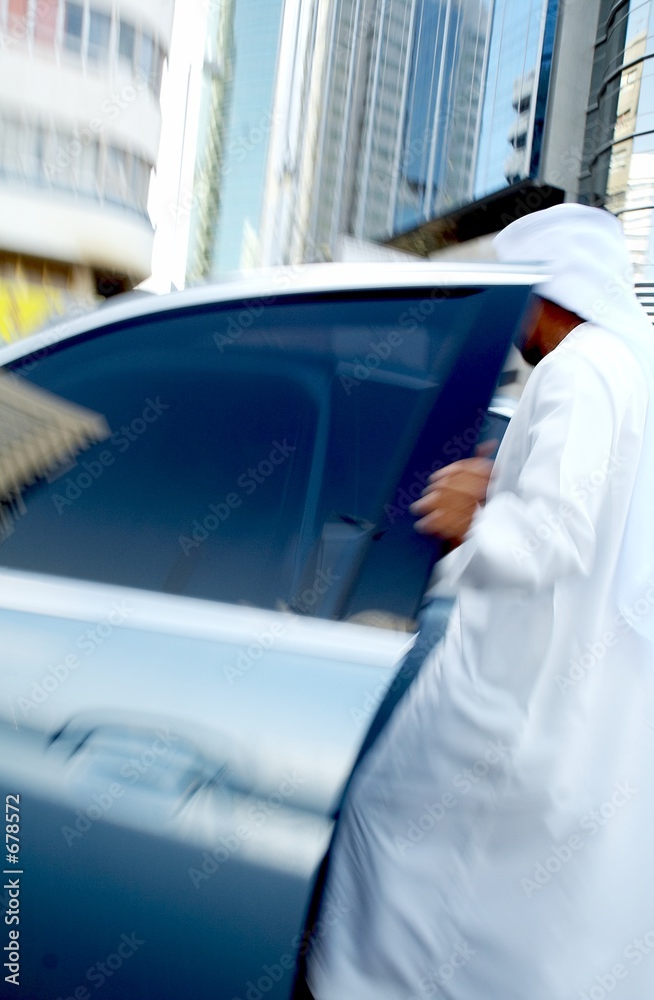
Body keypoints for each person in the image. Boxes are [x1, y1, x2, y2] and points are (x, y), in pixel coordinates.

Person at [302, 203, 654, 1000]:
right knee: (550, 919)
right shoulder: (632, 365)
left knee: (389, 839)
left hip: (523, 693)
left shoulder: (581, 366)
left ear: (546, 292)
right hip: (597, 700)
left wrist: (475, 519)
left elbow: (554, 535)